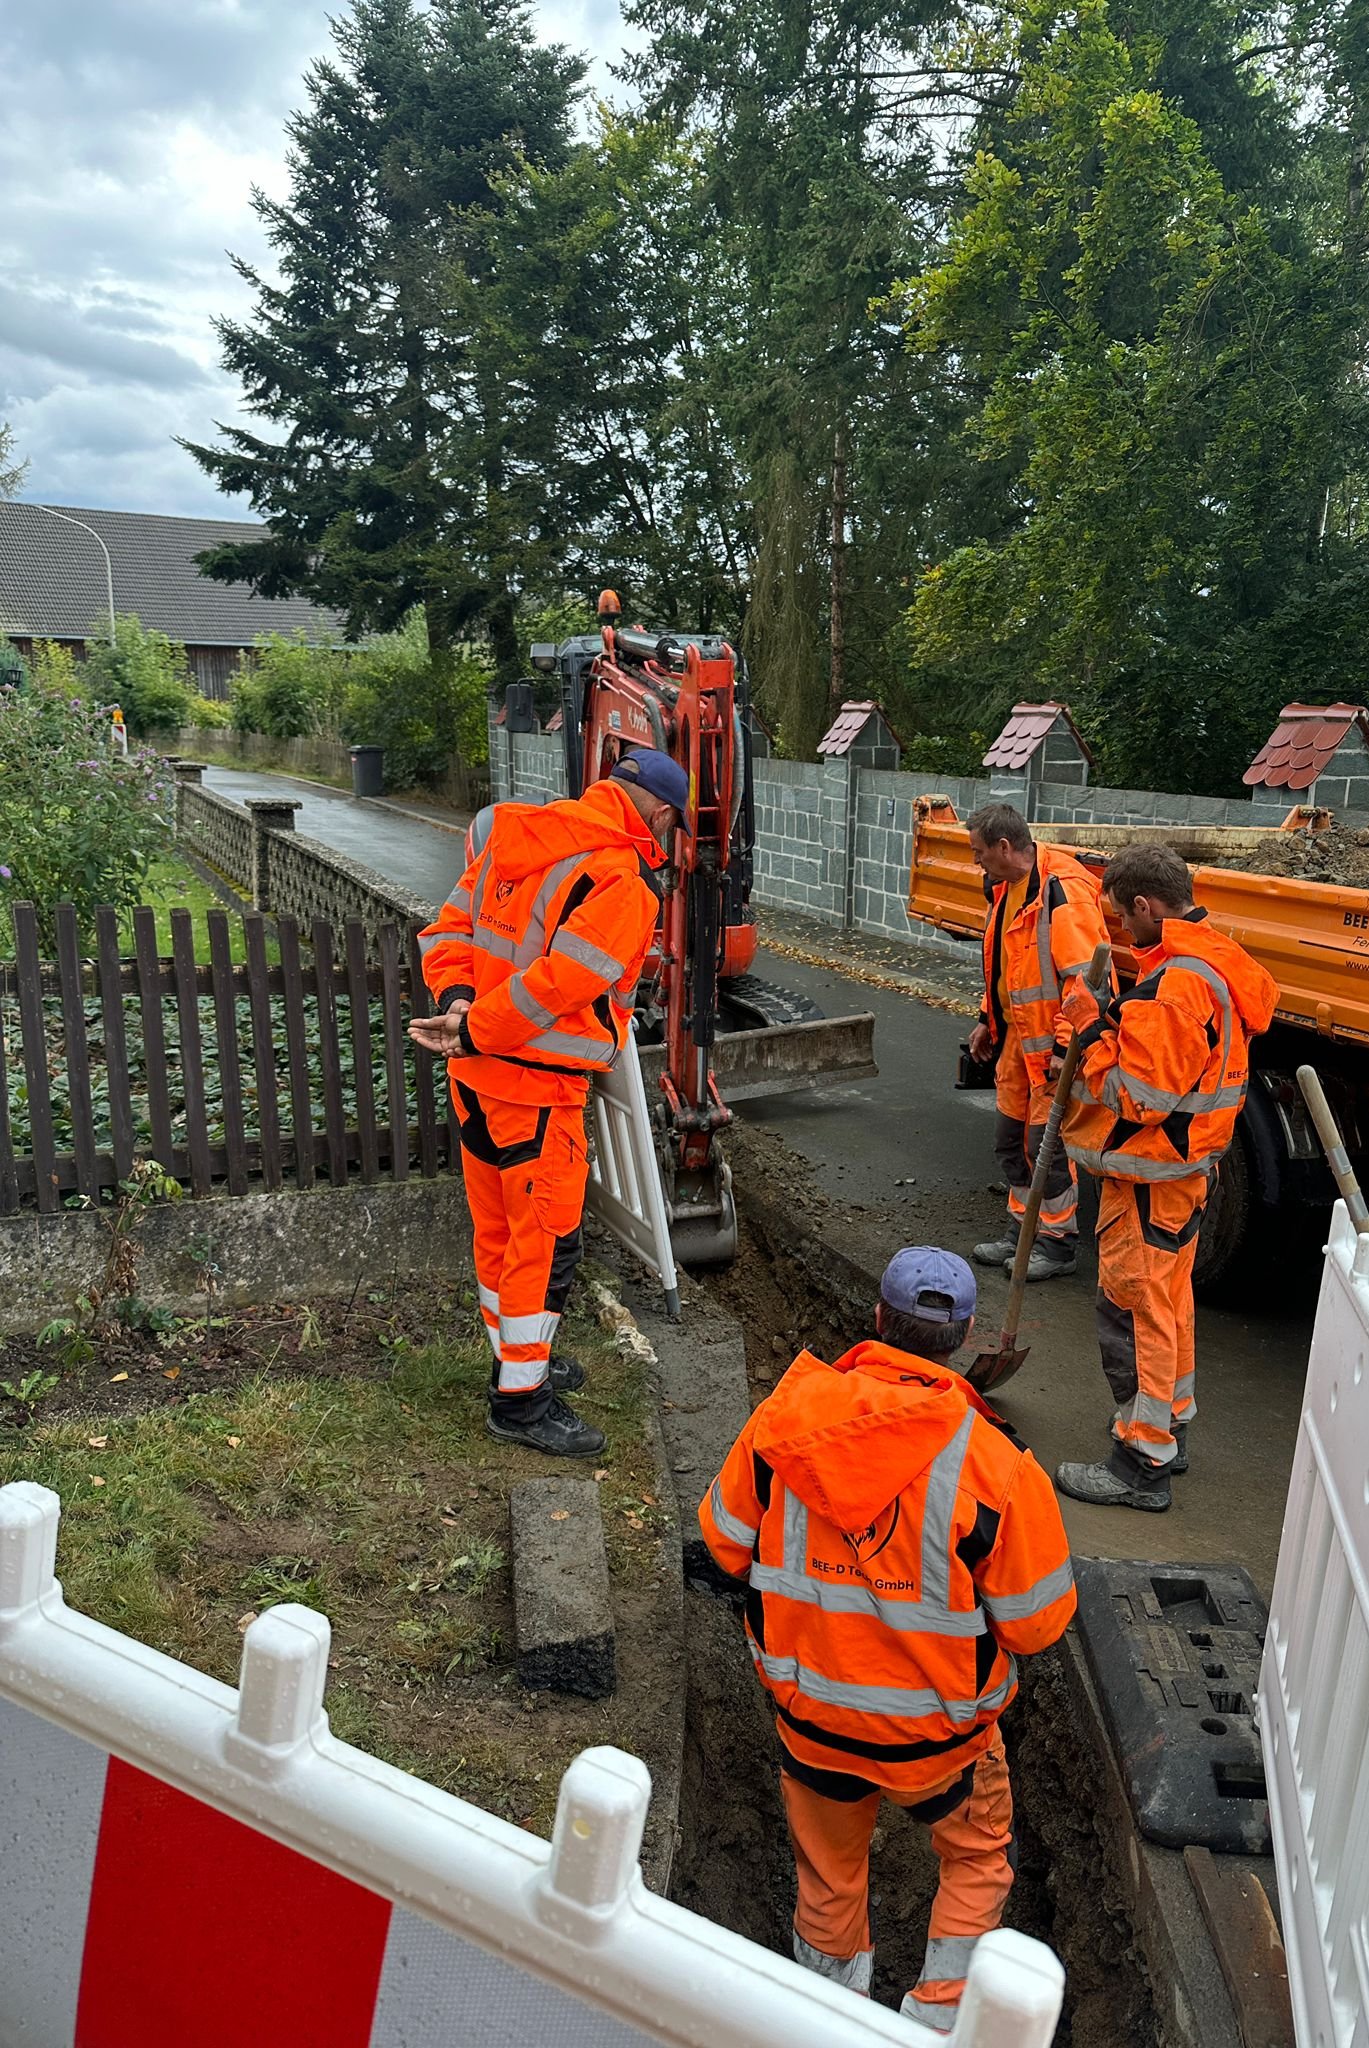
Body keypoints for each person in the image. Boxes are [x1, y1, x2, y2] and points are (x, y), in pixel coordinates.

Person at [698, 1247, 1076, 2033]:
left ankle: (828, 2019)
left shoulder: (783, 1422)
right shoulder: (998, 1468)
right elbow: (1037, 1625)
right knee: (975, 1860)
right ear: (966, 1337)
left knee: (829, 1876)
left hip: (813, 1722)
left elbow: (724, 1541)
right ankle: (940, 2022)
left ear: (876, 1321)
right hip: (942, 1743)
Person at [409, 750, 689, 1456]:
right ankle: (521, 1404)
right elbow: (554, 988)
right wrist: (476, 1025)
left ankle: (514, 1363)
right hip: (536, 1092)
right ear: (659, 814)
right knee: (542, 1248)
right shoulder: (621, 885)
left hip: (474, 1082)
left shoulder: (514, 836)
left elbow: (445, 934)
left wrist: (457, 1005)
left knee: (499, 1236)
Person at [1054, 844, 1277, 1511]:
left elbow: (1136, 1095)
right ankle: (1170, 1425)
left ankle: (1140, 1461)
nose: (1120, 931)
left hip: (1150, 1177)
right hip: (1183, 1172)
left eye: (1121, 917)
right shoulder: (1213, 965)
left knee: (1133, 1310)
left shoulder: (1177, 985)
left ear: (1145, 904)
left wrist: (1090, 1027)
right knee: (1170, 1304)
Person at [965, 805, 1111, 1281]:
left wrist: (1067, 1048)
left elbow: (1087, 981)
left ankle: (1057, 1244)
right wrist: (989, 1018)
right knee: (1011, 1143)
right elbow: (1006, 964)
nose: (976, 863)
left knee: (1043, 1149)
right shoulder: (1008, 889)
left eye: (980, 853)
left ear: (1005, 848)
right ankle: (1022, 1233)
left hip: (1050, 1050)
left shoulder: (1062, 893)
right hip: (1016, 1043)